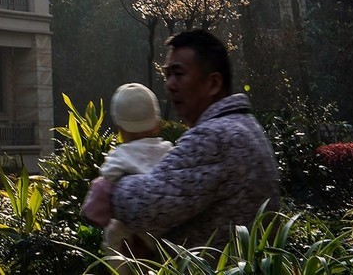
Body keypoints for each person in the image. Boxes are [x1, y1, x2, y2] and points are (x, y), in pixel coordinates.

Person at [83, 30, 279, 251]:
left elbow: (145, 206)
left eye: (179, 74)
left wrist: (109, 186)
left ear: (213, 83)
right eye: (168, 75)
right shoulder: (245, 125)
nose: (169, 84)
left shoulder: (213, 136)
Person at [84, 83, 172, 258]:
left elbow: (103, 190)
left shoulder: (120, 157)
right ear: (157, 124)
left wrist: (94, 213)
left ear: (121, 130)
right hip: (167, 234)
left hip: (132, 236)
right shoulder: (168, 151)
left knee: (113, 232)